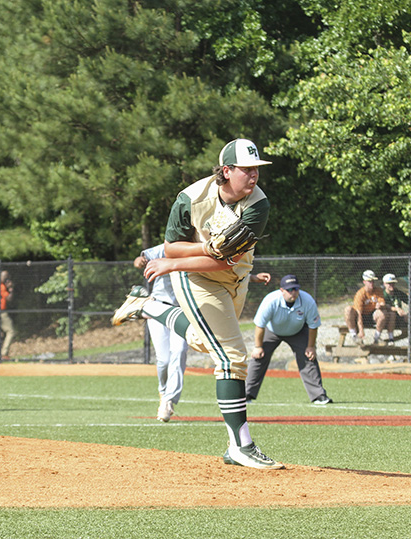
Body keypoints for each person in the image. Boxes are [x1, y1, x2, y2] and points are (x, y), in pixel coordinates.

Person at [112, 138, 283, 469]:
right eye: (246, 169)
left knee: (205, 343)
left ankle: (149, 308)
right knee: (232, 356)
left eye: (256, 169)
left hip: (235, 277)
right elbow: (172, 249)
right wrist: (191, 257)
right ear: (226, 171)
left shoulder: (258, 205)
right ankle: (240, 445)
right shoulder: (190, 198)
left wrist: (203, 251)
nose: (253, 176)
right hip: (195, 279)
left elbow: (226, 261)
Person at [245, 274, 331, 405]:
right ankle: (246, 395)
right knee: (258, 357)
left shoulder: (307, 301)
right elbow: (260, 325)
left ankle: (319, 396)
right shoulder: (271, 300)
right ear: (282, 290)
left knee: (309, 357)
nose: (293, 292)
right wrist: (258, 347)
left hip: (298, 331)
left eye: (295, 289)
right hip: (272, 330)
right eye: (289, 290)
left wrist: (311, 346)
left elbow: (313, 326)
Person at [133, 245, 189, 423]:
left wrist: (251, 277)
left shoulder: (195, 248)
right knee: (163, 359)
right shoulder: (166, 247)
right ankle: (163, 391)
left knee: (179, 351)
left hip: (182, 311)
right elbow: (139, 260)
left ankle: (169, 401)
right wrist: (140, 261)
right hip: (158, 308)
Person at [344, 270, 389, 345]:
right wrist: (361, 330)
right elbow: (359, 314)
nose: (372, 283)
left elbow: (382, 302)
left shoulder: (378, 290)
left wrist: (381, 305)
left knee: (382, 313)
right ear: (364, 282)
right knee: (348, 309)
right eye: (369, 281)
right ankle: (354, 336)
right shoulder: (360, 294)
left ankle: (377, 338)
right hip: (361, 316)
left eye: (373, 281)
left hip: (371, 315)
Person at [381, 273, 411, 346]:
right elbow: (383, 306)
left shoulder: (398, 293)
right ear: (384, 284)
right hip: (390, 319)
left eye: (393, 283)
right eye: (389, 284)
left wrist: (408, 312)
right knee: (392, 315)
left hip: (401, 318)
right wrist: (396, 309)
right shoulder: (383, 294)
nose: (391, 285)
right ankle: (391, 339)